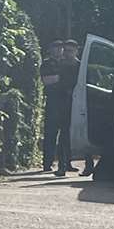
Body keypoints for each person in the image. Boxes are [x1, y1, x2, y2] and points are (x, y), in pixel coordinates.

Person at [52, 38, 81, 176]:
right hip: (63, 103)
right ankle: (62, 166)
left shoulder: (80, 66)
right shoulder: (60, 65)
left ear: (76, 51)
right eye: (66, 51)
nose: (68, 53)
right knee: (63, 134)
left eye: (71, 51)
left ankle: (72, 163)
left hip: (78, 103)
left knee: (78, 132)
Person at [39, 40, 64, 171]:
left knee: (65, 134)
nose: (59, 50)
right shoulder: (47, 64)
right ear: (51, 49)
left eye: (60, 48)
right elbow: (46, 80)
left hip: (66, 100)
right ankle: (47, 163)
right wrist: (62, 77)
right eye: (56, 48)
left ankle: (65, 163)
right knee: (50, 133)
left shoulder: (66, 63)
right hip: (53, 101)